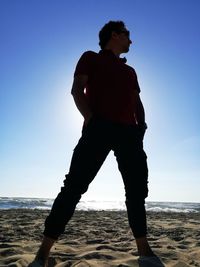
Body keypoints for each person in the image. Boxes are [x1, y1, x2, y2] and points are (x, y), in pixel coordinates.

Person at [29, 21, 164, 267]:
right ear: (114, 35)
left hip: (129, 134)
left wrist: (141, 128)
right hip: (98, 128)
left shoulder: (130, 71)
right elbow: (76, 90)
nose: (130, 41)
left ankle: (145, 254)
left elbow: (137, 101)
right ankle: (42, 256)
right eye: (127, 35)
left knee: (136, 192)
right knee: (73, 188)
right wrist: (91, 119)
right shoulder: (90, 57)